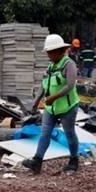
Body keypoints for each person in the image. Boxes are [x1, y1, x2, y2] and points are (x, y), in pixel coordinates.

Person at [22, 34, 81, 174]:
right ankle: (37, 161)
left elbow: (70, 85)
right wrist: (36, 102)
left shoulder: (69, 64)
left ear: (59, 51)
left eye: (50, 52)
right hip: (51, 108)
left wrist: (53, 97)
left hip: (68, 107)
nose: (48, 55)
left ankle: (74, 160)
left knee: (69, 133)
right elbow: (43, 86)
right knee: (45, 133)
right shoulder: (50, 67)